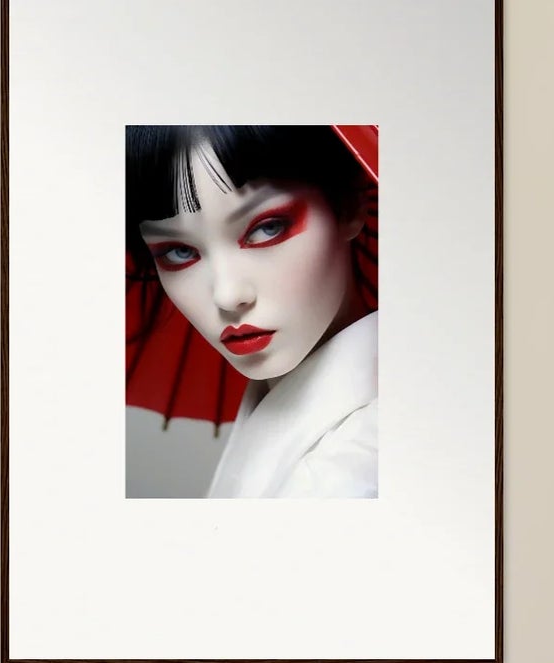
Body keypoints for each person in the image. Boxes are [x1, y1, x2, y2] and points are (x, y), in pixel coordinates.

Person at [125, 125, 378, 498]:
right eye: (178, 251)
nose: (227, 295)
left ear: (348, 205)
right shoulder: (279, 407)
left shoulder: (354, 468)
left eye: (267, 227)